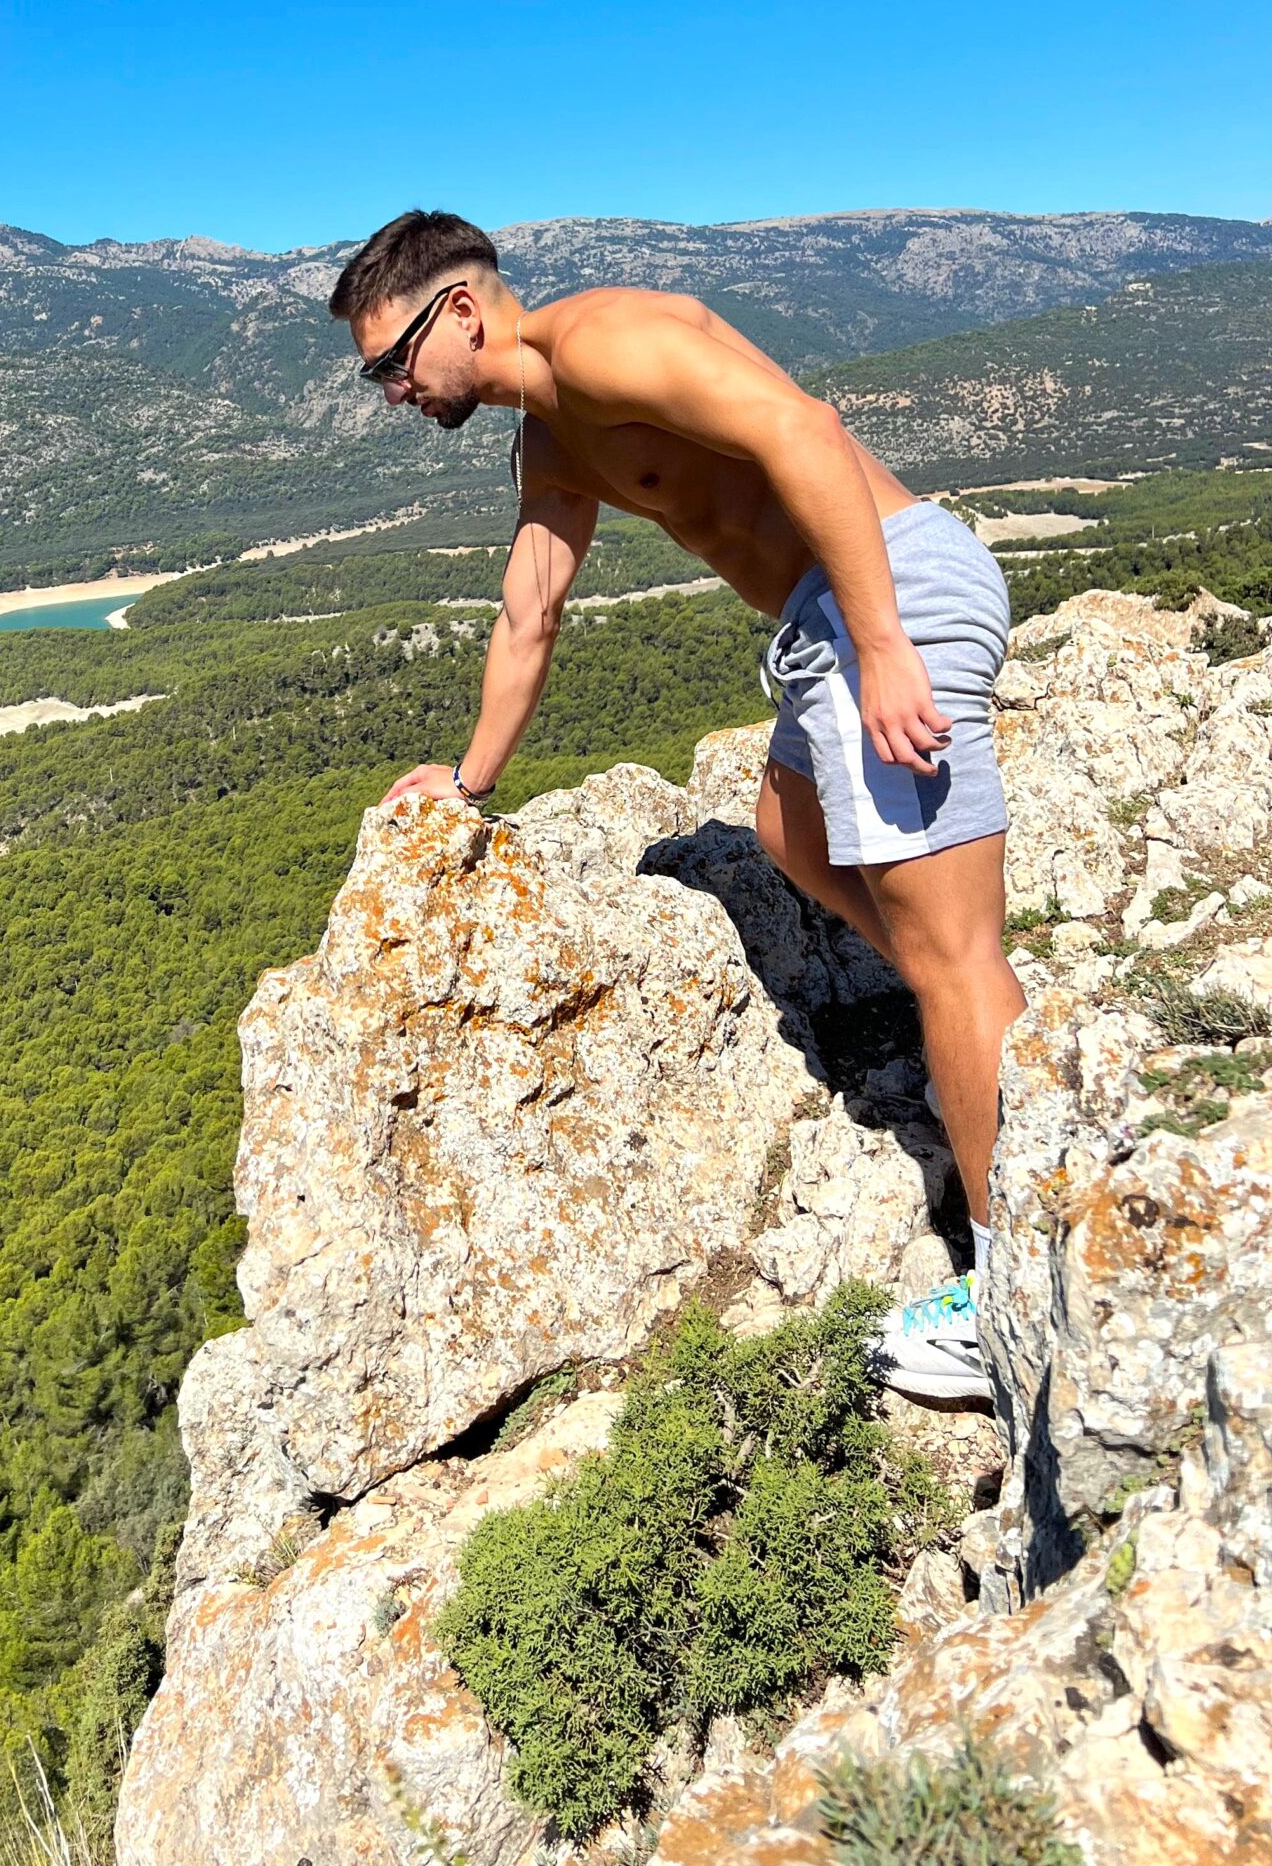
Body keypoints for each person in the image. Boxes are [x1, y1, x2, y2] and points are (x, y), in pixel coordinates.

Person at [329, 208, 1021, 1406]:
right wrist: (470, 782)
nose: (393, 394)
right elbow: (527, 615)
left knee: (953, 956)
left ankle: (1018, 1288)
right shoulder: (551, 444)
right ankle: (999, 1046)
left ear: (460, 313)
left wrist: (886, 646)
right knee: (784, 832)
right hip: (824, 629)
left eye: (393, 364)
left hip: (883, 591)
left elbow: (805, 428)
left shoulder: (604, 343)